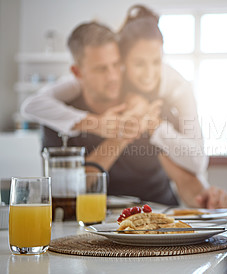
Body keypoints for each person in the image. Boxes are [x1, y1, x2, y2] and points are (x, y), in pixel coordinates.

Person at [39, 21, 227, 209]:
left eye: (116, 65)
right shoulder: (60, 119)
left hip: (157, 215)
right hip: (94, 221)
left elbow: (182, 177)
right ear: (77, 72)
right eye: (101, 69)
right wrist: (122, 135)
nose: (113, 76)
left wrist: (205, 198)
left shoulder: (150, 107)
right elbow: (66, 194)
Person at [21, 5, 207, 177]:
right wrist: (98, 124)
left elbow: (197, 162)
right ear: (125, 62)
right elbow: (31, 105)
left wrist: (152, 122)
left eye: (156, 62)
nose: (149, 74)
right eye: (139, 64)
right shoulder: (102, 79)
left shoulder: (178, 88)